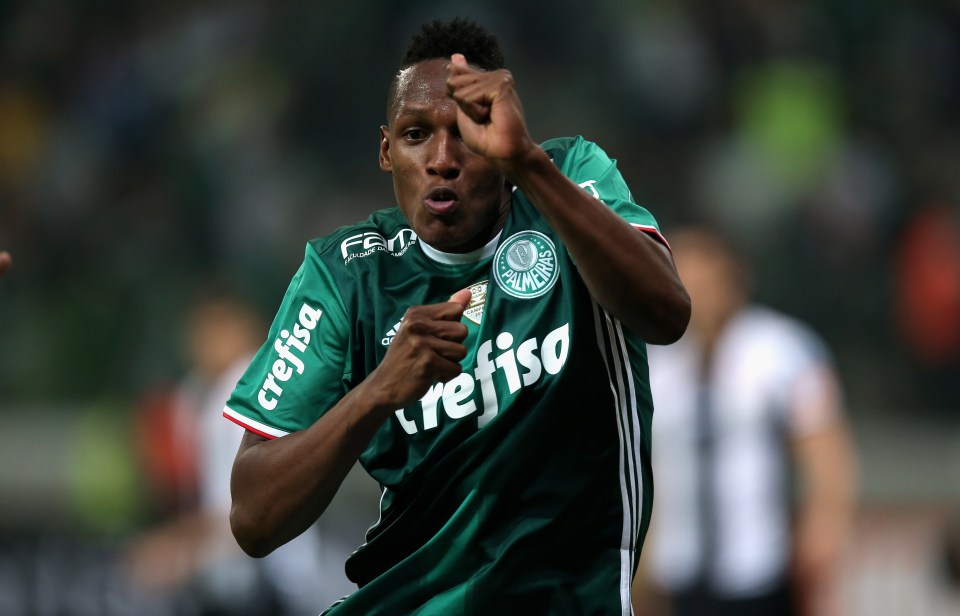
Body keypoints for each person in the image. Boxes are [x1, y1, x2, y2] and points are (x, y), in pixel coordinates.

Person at [223, 18, 690, 615]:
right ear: (387, 151)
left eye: (466, 134)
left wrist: (528, 163)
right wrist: (376, 394)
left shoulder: (568, 180)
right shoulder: (345, 276)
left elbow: (666, 313)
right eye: (417, 135)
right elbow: (253, 519)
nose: (442, 159)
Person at [639, 227, 858, 616]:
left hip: (760, 567)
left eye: (705, 280)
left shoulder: (783, 350)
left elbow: (826, 452)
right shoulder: (655, 361)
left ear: (733, 279)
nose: (696, 293)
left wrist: (823, 528)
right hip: (676, 569)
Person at [127, 292, 334, 615]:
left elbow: (244, 514)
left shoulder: (248, 388)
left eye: (218, 328)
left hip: (273, 574)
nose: (205, 341)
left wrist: (176, 549)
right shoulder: (199, 393)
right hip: (246, 565)